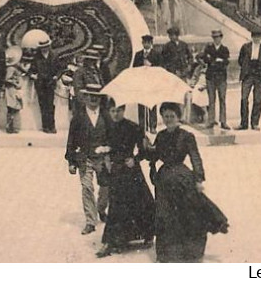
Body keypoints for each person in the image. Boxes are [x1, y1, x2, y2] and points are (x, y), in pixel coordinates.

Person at [148, 102, 228, 263]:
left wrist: (198, 179)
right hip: (164, 181)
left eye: (172, 116)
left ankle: (191, 253)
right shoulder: (161, 136)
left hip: (182, 178)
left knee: (188, 215)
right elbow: (154, 156)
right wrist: (147, 148)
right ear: (162, 117)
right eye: (166, 116)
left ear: (178, 118)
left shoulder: (186, 136)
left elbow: (195, 157)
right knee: (166, 216)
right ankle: (167, 254)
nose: (169, 119)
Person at [97, 103, 155, 257]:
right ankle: (111, 241)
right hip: (116, 170)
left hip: (131, 170)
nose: (115, 114)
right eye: (112, 111)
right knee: (116, 204)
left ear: (124, 111)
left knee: (141, 201)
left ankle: (148, 235)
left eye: (118, 111)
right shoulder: (108, 127)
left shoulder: (133, 127)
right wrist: (106, 159)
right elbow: (103, 146)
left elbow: (144, 150)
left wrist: (135, 159)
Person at [65, 86, 112, 235]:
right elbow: (71, 140)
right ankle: (91, 221)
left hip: (103, 159)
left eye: (96, 96)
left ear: (100, 98)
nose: (93, 99)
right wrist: (71, 161)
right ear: (85, 98)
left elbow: (112, 137)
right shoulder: (78, 117)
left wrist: (109, 151)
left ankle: (101, 209)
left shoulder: (106, 116)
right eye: (90, 96)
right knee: (87, 188)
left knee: (106, 187)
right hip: (84, 158)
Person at [237, 28, 261, 131]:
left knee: (258, 99)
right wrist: (246, 69)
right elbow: (240, 60)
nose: (257, 39)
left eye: (258, 37)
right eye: (255, 37)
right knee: (244, 98)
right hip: (248, 74)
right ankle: (244, 123)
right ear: (252, 37)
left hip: (259, 75)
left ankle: (255, 123)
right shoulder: (245, 47)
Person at [200, 29, 230, 130]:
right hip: (211, 77)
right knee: (211, 100)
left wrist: (213, 60)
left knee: (222, 99)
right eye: (215, 37)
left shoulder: (225, 49)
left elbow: (226, 62)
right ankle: (211, 120)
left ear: (221, 37)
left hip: (221, 78)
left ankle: (223, 121)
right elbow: (205, 59)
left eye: (218, 37)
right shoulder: (208, 48)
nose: (216, 39)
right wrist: (217, 61)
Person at [30, 35, 59, 133]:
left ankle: (52, 126)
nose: (44, 49)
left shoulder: (54, 55)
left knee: (50, 105)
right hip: (40, 84)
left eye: (46, 47)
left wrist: (56, 76)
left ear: (49, 46)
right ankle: (45, 126)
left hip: (50, 83)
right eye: (42, 47)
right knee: (43, 105)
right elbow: (31, 70)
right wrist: (33, 76)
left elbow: (60, 69)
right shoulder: (36, 57)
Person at [133, 33, 159, 134]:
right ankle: (142, 126)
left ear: (151, 43)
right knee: (141, 105)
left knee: (152, 105)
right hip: (141, 83)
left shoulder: (156, 54)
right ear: (142, 43)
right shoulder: (138, 54)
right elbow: (134, 69)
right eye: (144, 42)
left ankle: (152, 126)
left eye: (148, 43)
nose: (146, 44)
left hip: (152, 83)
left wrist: (151, 66)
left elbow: (160, 68)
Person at [4, 47, 24, 134]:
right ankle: (9, 127)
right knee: (12, 108)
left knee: (13, 108)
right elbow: (7, 79)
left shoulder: (11, 68)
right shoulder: (11, 69)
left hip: (11, 90)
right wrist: (16, 83)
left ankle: (11, 126)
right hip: (11, 90)